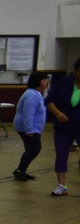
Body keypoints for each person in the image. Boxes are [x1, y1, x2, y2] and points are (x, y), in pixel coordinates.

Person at [45, 57, 80, 196]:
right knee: (61, 154)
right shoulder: (65, 82)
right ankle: (61, 185)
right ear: (76, 71)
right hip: (63, 126)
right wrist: (58, 113)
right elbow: (49, 100)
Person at [12, 71, 48, 181]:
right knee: (35, 148)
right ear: (37, 81)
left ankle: (21, 171)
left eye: (46, 80)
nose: (46, 82)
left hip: (34, 127)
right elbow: (28, 113)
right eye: (44, 80)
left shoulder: (37, 94)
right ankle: (19, 171)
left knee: (31, 149)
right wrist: (29, 130)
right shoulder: (31, 95)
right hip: (28, 127)